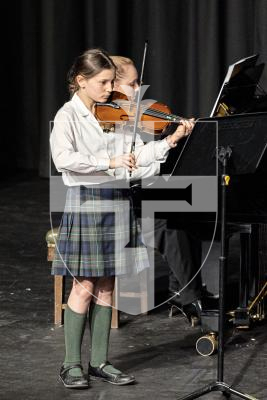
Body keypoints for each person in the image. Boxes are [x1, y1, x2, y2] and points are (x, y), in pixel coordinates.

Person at [50, 48, 192, 390]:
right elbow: (64, 160)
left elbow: (134, 158)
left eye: (113, 81)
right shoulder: (67, 116)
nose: (110, 89)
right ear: (81, 81)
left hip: (119, 200)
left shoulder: (110, 115)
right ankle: (71, 364)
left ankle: (99, 361)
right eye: (103, 82)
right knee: (83, 287)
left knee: (108, 286)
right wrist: (110, 164)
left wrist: (169, 141)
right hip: (87, 203)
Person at [110, 55, 205, 324]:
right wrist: (166, 144)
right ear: (112, 85)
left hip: (134, 190)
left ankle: (182, 290)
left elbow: (140, 161)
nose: (139, 89)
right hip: (114, 198)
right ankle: (191, 298)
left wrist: (172, 138)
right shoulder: (104, 120)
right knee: (166, 221)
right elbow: (125, 170)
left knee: (191, 202)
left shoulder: (129, 114)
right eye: (133, 83)